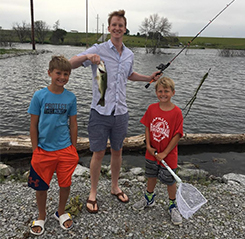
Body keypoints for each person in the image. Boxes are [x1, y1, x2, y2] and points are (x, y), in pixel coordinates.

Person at [69, 9, 161, 213]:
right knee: (98, 153)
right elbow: (71, 64)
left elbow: (129, 74)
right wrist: (88, 55)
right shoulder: (98, 49)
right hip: (99, 112)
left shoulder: (129, 54)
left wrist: (149, 78)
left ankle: (114, 186)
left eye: (121, 25)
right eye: (114, 25)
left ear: (125, 29)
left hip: (121, 112)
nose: (117, 28)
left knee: (117, 151)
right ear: (109, 28)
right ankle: (93, 192)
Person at [28, 55, 79, 235]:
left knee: (65, 184)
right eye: (58, 73)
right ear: (49, 73)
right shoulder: (39, 95)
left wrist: (73, 147)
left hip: (65, 148)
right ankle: (42, 215)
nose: (62, 77)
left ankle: (61, 211)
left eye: (66, 74)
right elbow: (33, 125)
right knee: (41, 186)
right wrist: (35, 150)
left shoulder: (71, 97)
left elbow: (73, 124)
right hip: (43, 150)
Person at [132, 76, 183, 226]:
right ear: (156, 93)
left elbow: (177, 135)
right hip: (152, 153)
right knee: (151, 175)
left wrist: (165, 153)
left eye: (166, 91)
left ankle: (172, 205)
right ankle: (149, 199)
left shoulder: (177, 112)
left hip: (168, 155)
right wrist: (148, 145)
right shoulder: (151, 108)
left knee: (169, 181)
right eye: (160, 91)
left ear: (173, 92)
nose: (163, 94)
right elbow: (147, 126)